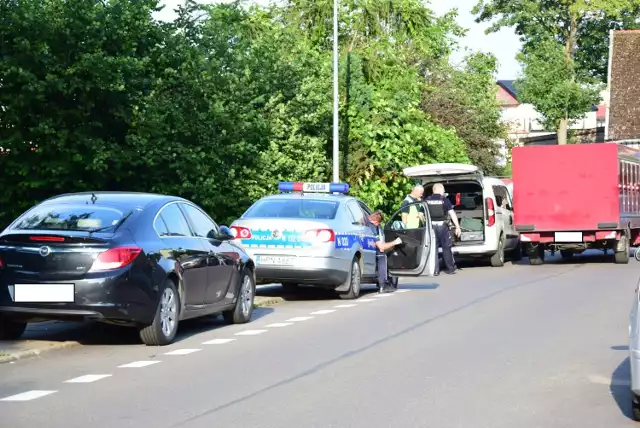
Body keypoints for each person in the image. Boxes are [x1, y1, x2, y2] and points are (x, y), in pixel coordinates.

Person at [425, 183, 461, 275]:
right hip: (442, 227)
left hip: (431, 227)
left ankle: (435, 270)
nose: (444, 191)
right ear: (439, 190)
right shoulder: (444, 200)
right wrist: (457, 227)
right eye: (443, 190)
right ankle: (450, 269)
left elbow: (422, 214)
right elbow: (452, 214)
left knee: (433, 248)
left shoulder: (427, 200)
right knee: (446, 247)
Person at [367, 210, 402, 293]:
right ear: (376, 221)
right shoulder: (372, 227)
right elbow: (381, 247)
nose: (378, 225)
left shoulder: (365, 222)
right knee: (382, 256)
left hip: (366, 250)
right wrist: (395, 242)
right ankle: (383, 285)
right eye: (379, 223)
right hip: (370, 252)